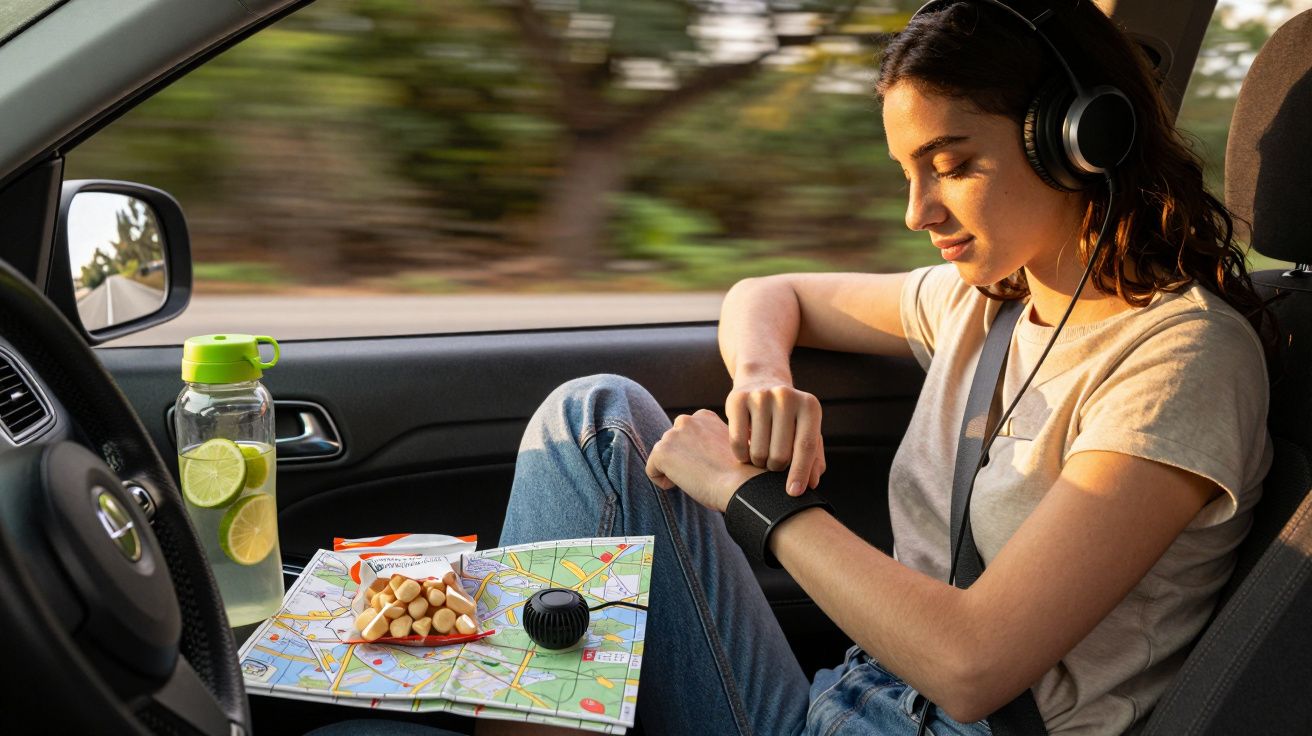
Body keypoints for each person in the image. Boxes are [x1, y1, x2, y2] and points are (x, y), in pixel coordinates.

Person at [313, 2, 1273, 735]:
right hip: (850, 701)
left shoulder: (1184, 359)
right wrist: (764, 376)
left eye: (953, 163)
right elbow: (767, 292)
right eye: (907, 171)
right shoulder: (988, 302)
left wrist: (744, 492)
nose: (918, 211)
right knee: (596, 418)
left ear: (1077, 142)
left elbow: (977, 664)